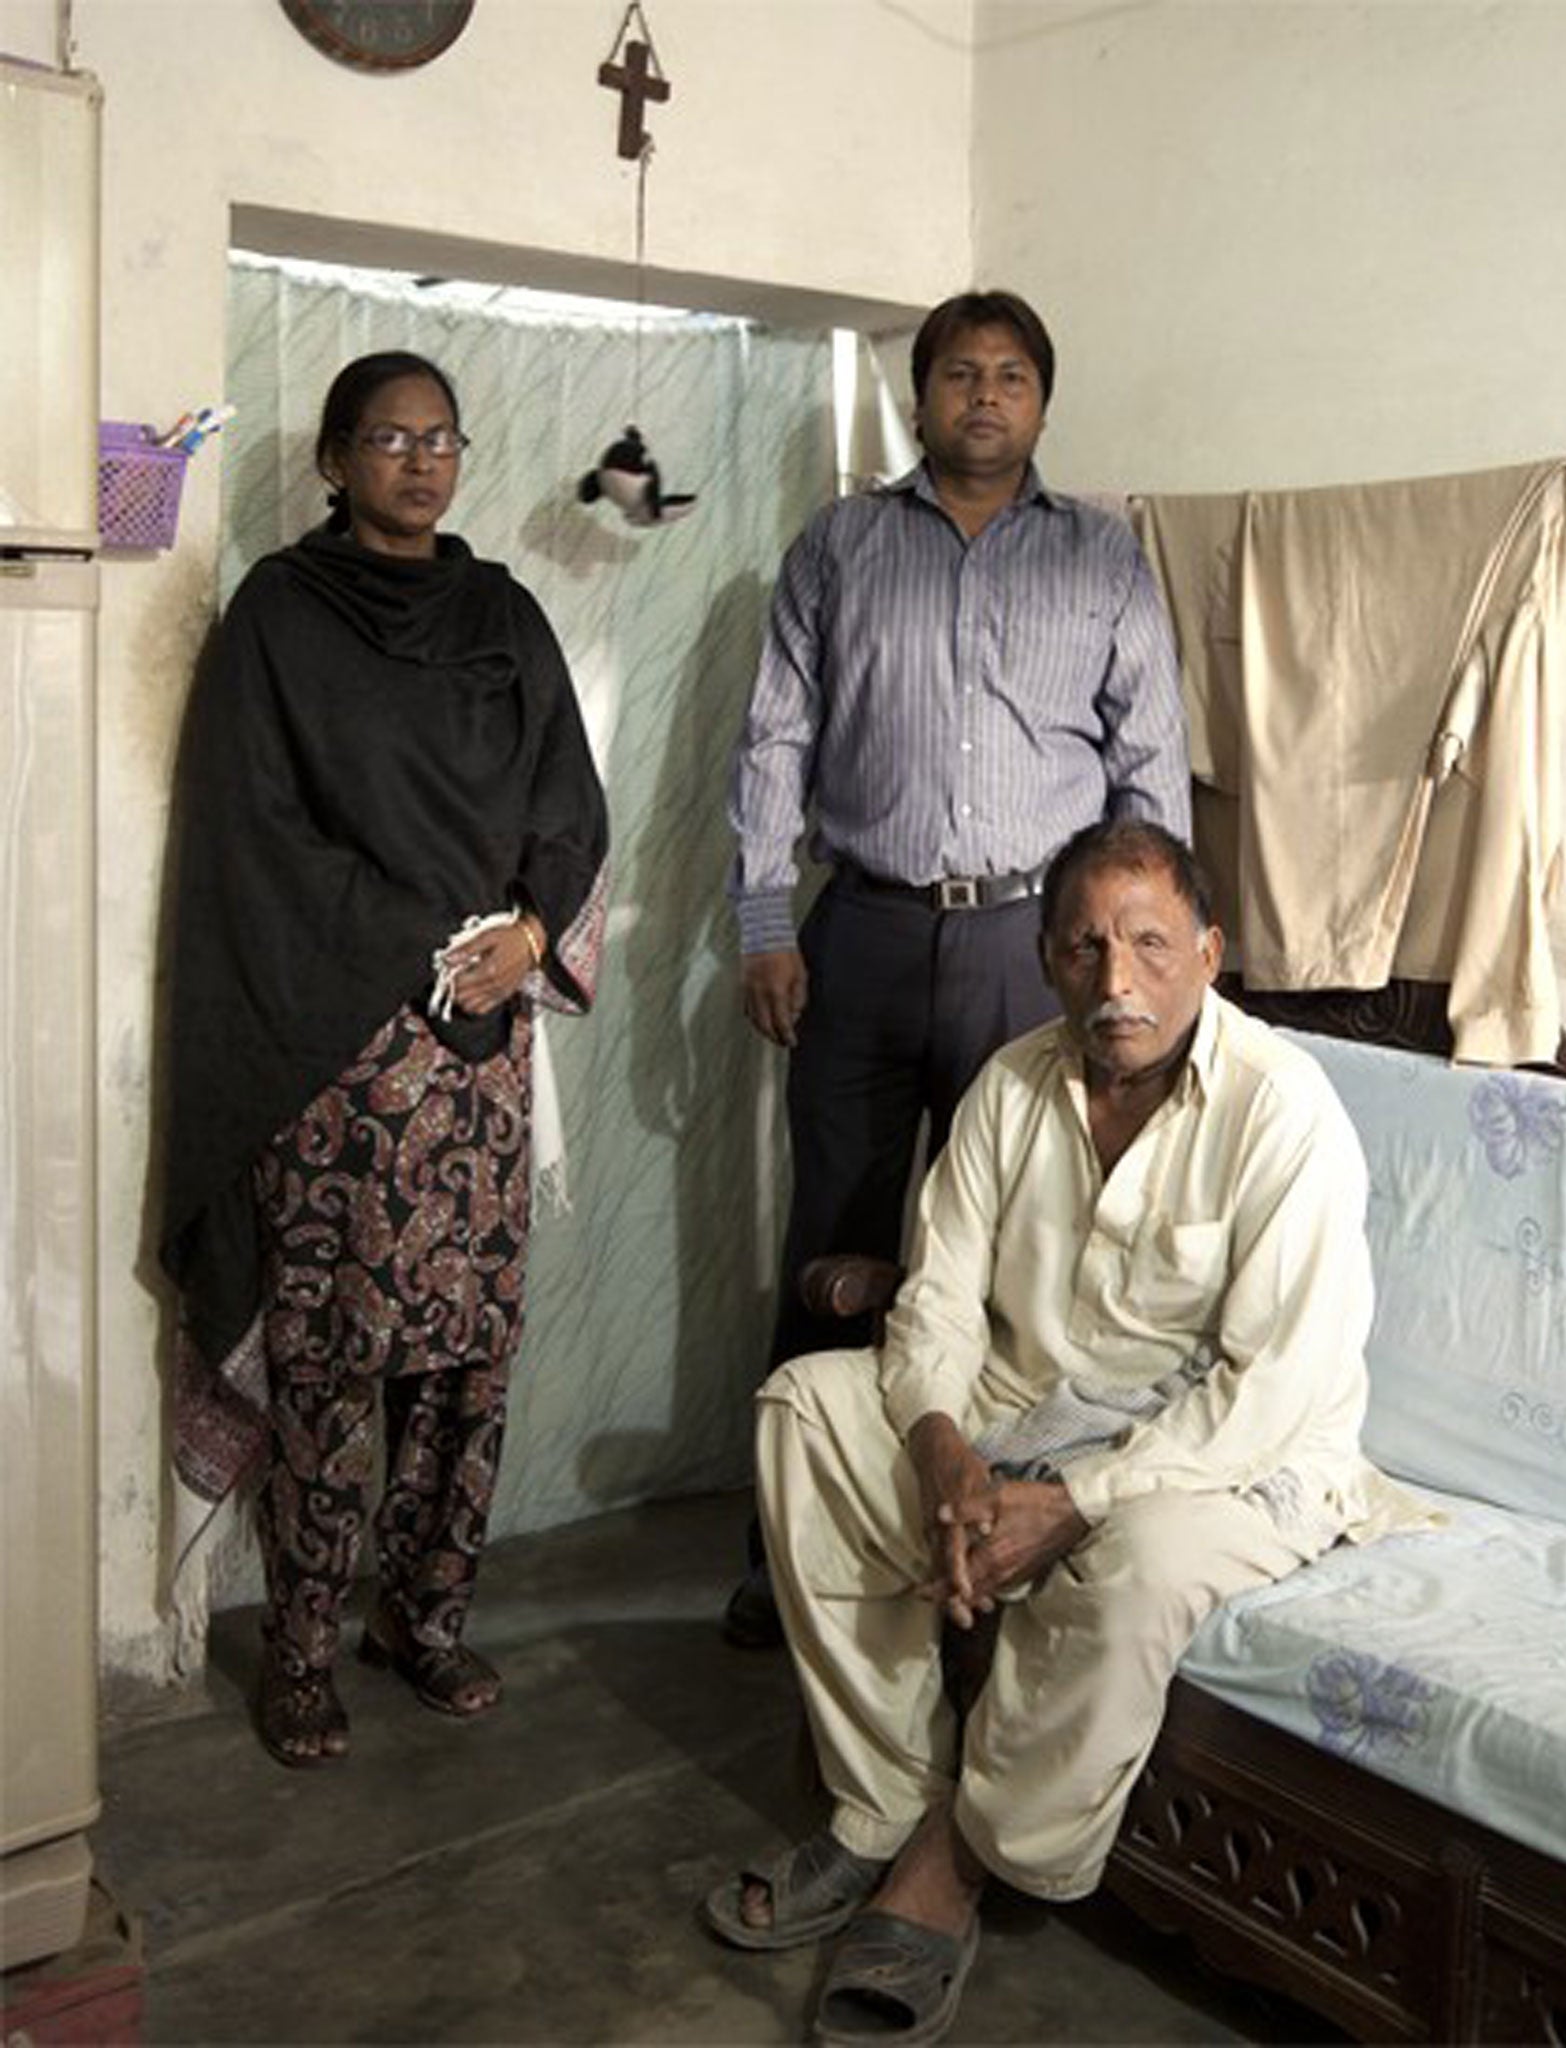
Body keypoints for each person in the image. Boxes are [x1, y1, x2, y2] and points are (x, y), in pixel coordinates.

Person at [704, 820, 1420, 2046]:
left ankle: (959, 1852)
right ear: (1045, 957)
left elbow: (1272, 1387)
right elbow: (934, 1294)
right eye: (1085, 945)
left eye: (1149, 942)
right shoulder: (1012, 1083)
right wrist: (939, 1440)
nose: (1117, 978)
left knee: (1138, 1567)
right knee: (805, 1406)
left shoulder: (1282, 1110)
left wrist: (1075, 1501)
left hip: (1225, 1454)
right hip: (1026, 1411)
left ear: (1209, 950)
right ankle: (881, 1797)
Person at [159, 351, 609, 1768]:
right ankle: (298, 1654)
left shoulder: (503, 615)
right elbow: (253, 837)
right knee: (332, 1364)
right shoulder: (279, 623)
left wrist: (530, 937)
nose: (418, 462)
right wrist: (422, 934)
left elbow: (568, 805)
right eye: (386, 439)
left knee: (466, 1365)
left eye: (439, 438)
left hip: (476, 1060)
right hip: (335, 1055)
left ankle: (421, 1620)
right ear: (336, 461)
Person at [724, 289, 1189, 1645]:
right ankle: (786, 1555)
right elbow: (771, 743)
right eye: (958, 375)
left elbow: (1146, 764)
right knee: (836, 1240)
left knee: (1007, 1255)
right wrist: (763, 923)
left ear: (1041, 403)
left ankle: (982, 1539)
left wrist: (1140, 960)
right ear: (918, 397)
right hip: (859, 934)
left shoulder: (1100, 561)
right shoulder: (839, 547)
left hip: (1029, 948)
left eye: (1011, 377)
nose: (983, 397)